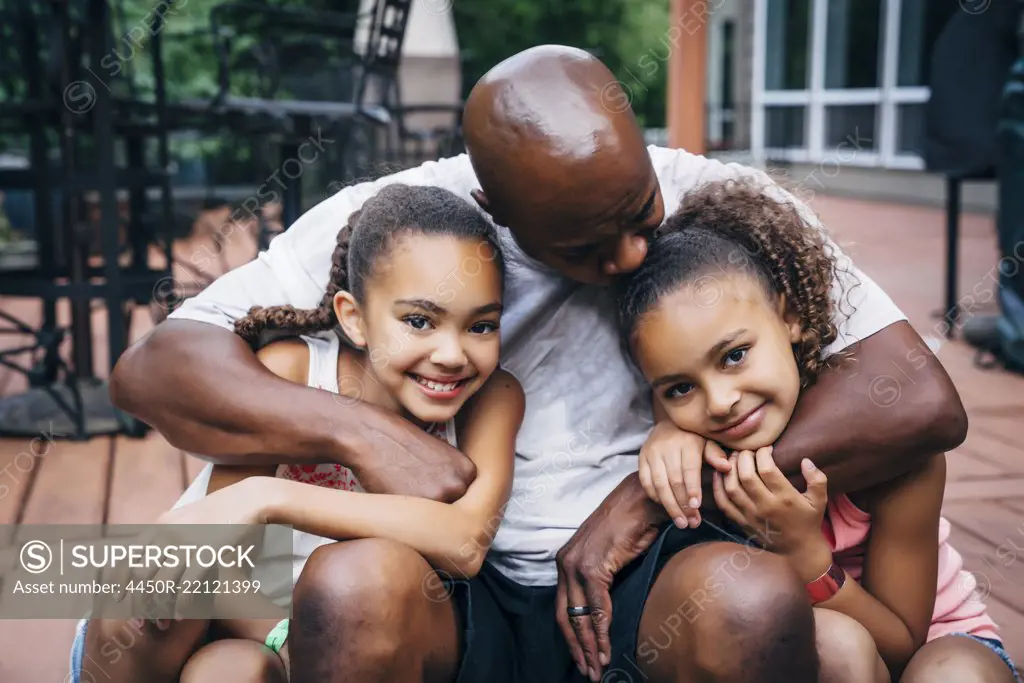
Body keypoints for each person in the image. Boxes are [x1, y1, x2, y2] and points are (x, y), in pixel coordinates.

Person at [102, 46, 968, 683]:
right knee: (313, 587)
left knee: (750, 602)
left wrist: (648, 495)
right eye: (587, 246)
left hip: (651, 574)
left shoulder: (710, 201)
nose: (634, 255)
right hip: (443, 590)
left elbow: (918, 397)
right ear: (500, 213)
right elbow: (154, 370)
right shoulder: (412, 227)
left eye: (640, 211)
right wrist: (363, 433)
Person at [72, 185, 525, 683]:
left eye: (481, 327)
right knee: (218, 665)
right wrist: (284, 640)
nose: (452, 354)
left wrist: (271, 497)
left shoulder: (492, 397)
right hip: (248, 621)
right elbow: (223, 558)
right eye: (418, 322)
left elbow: (465, 541)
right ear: (354, 318)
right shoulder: (293, 372)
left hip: (378, 628)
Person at [619, 179, 1018, 683]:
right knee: (836, 646)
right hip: (804, 654)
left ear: (789, 318)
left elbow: (901, 647)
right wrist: (665, 436)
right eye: (679, 388)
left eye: (735, 355)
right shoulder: (689, 446)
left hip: (929, 643)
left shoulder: (892, 453)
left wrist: (805, 555)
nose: (720, 402)